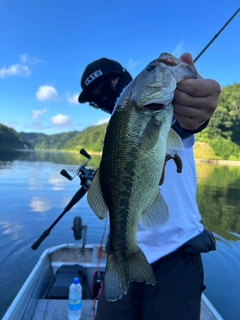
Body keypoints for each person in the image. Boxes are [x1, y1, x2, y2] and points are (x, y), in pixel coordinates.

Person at [78, 53, 221, 320]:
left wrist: (195, 109)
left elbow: (188, 123)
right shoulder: (115, 128)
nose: (106, 98)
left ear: (128, 79)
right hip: (121, 247)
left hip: (177, 253)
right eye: (97, 99)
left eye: (110, 85)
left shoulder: (167, 108)